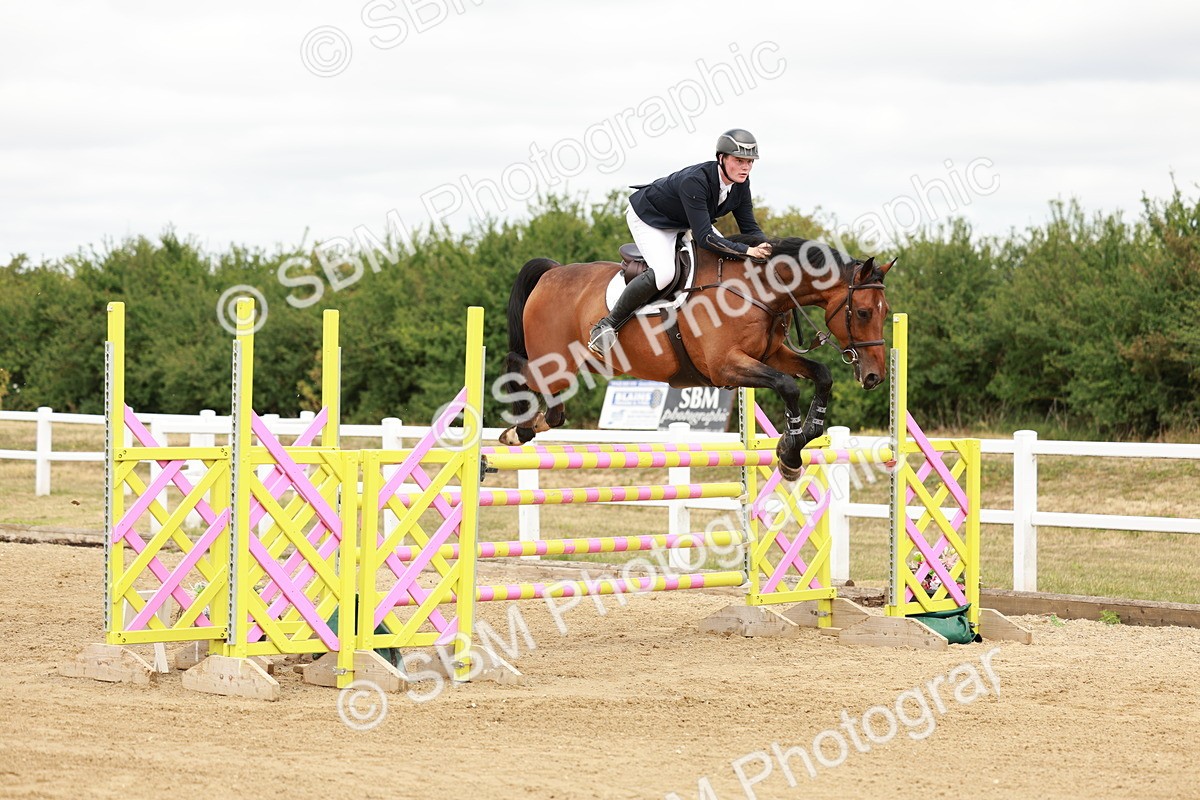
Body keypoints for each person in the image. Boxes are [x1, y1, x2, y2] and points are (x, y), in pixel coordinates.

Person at [588, 128, 774, 355]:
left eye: (750, 161)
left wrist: (770, 249)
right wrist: (747, 251)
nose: (745, 167)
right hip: (650, 219)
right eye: (739, 160)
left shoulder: (741, 184)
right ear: (721, 158)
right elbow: (705, 238)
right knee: (665, 272)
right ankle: (607, 325)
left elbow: (749, 227)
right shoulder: (695, 181)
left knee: (723, 261)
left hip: (684, 220)